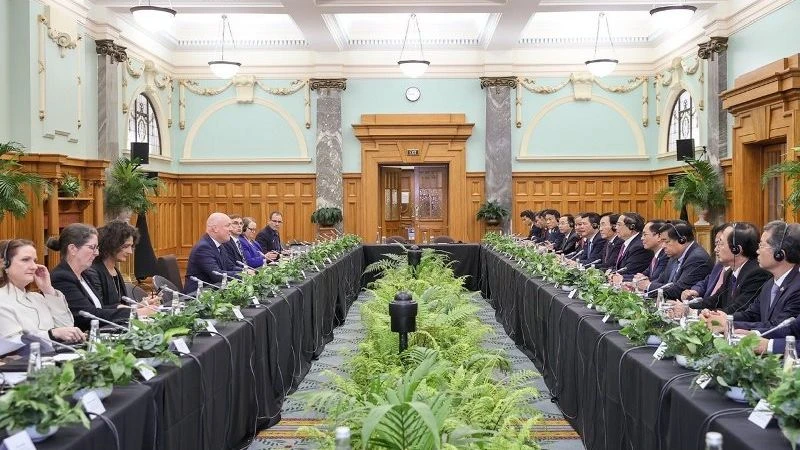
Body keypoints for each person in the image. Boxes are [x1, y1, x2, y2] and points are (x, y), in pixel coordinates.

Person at [703, 222, 800, 331]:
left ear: (779, 254)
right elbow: (752, 314)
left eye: (762, 246)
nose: (757, 251)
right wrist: (722, 318)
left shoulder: (797, 287)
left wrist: (728, 324)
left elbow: (780, 327)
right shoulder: (770, 284)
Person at [674, 222, 770, 315]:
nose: (716, 249)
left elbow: (738, 309)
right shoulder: (730, 272)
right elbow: (715, 300)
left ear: (736, 249)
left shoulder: (756, 273)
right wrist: (686, 306)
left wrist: (693, 312)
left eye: (721, 244)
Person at [0, 239, 85, 344]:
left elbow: (67, 326)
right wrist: (51, 334)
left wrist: (48, 290)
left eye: (34, 261)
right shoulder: (2, 300)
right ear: (4, 264)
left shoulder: (38, 298)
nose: (34, 266)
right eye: (25, 260)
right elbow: (12, 343)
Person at [49, 223, 130, 330]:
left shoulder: (85, 275)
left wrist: (118, 307)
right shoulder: (61, 278)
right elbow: (87, 315)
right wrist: (131, 312)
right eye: (92, 247)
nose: (96, 253)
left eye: (97, 248)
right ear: (73, 249)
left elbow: (97, 308)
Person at [84, 220, 158, 318]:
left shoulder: (115, 270)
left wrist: (141, 305)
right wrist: (138, 311)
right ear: (111, 244)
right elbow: (101, 310)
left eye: (131, 246)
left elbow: (120, 306)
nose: (130, 252)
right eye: (126, 246)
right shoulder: (93, 272)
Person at [636, 220, 712, 299]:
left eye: (666, 242)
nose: (663, 246)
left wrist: (648, 286)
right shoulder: (675, 255)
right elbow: (661, 280)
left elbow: (679, 290)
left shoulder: (697, 259)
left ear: (682, 240)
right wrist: (643, 285)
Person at [184, 212, 242, 294]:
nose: (231, 229)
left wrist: (246, 270)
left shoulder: (219, 245)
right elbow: (217, 275)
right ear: (215, 228)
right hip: (197, 297)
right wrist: (243, 274)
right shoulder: (203, 247)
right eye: (227, 225)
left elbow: (230, 267)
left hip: (213, 291)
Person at [610, 212, 653, 278]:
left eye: (619, 225)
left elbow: (630, 270)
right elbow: (619, 268)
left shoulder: (639, 247)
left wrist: (612, 276)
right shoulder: (626, 243)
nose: (616, 228)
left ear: (631, 227)